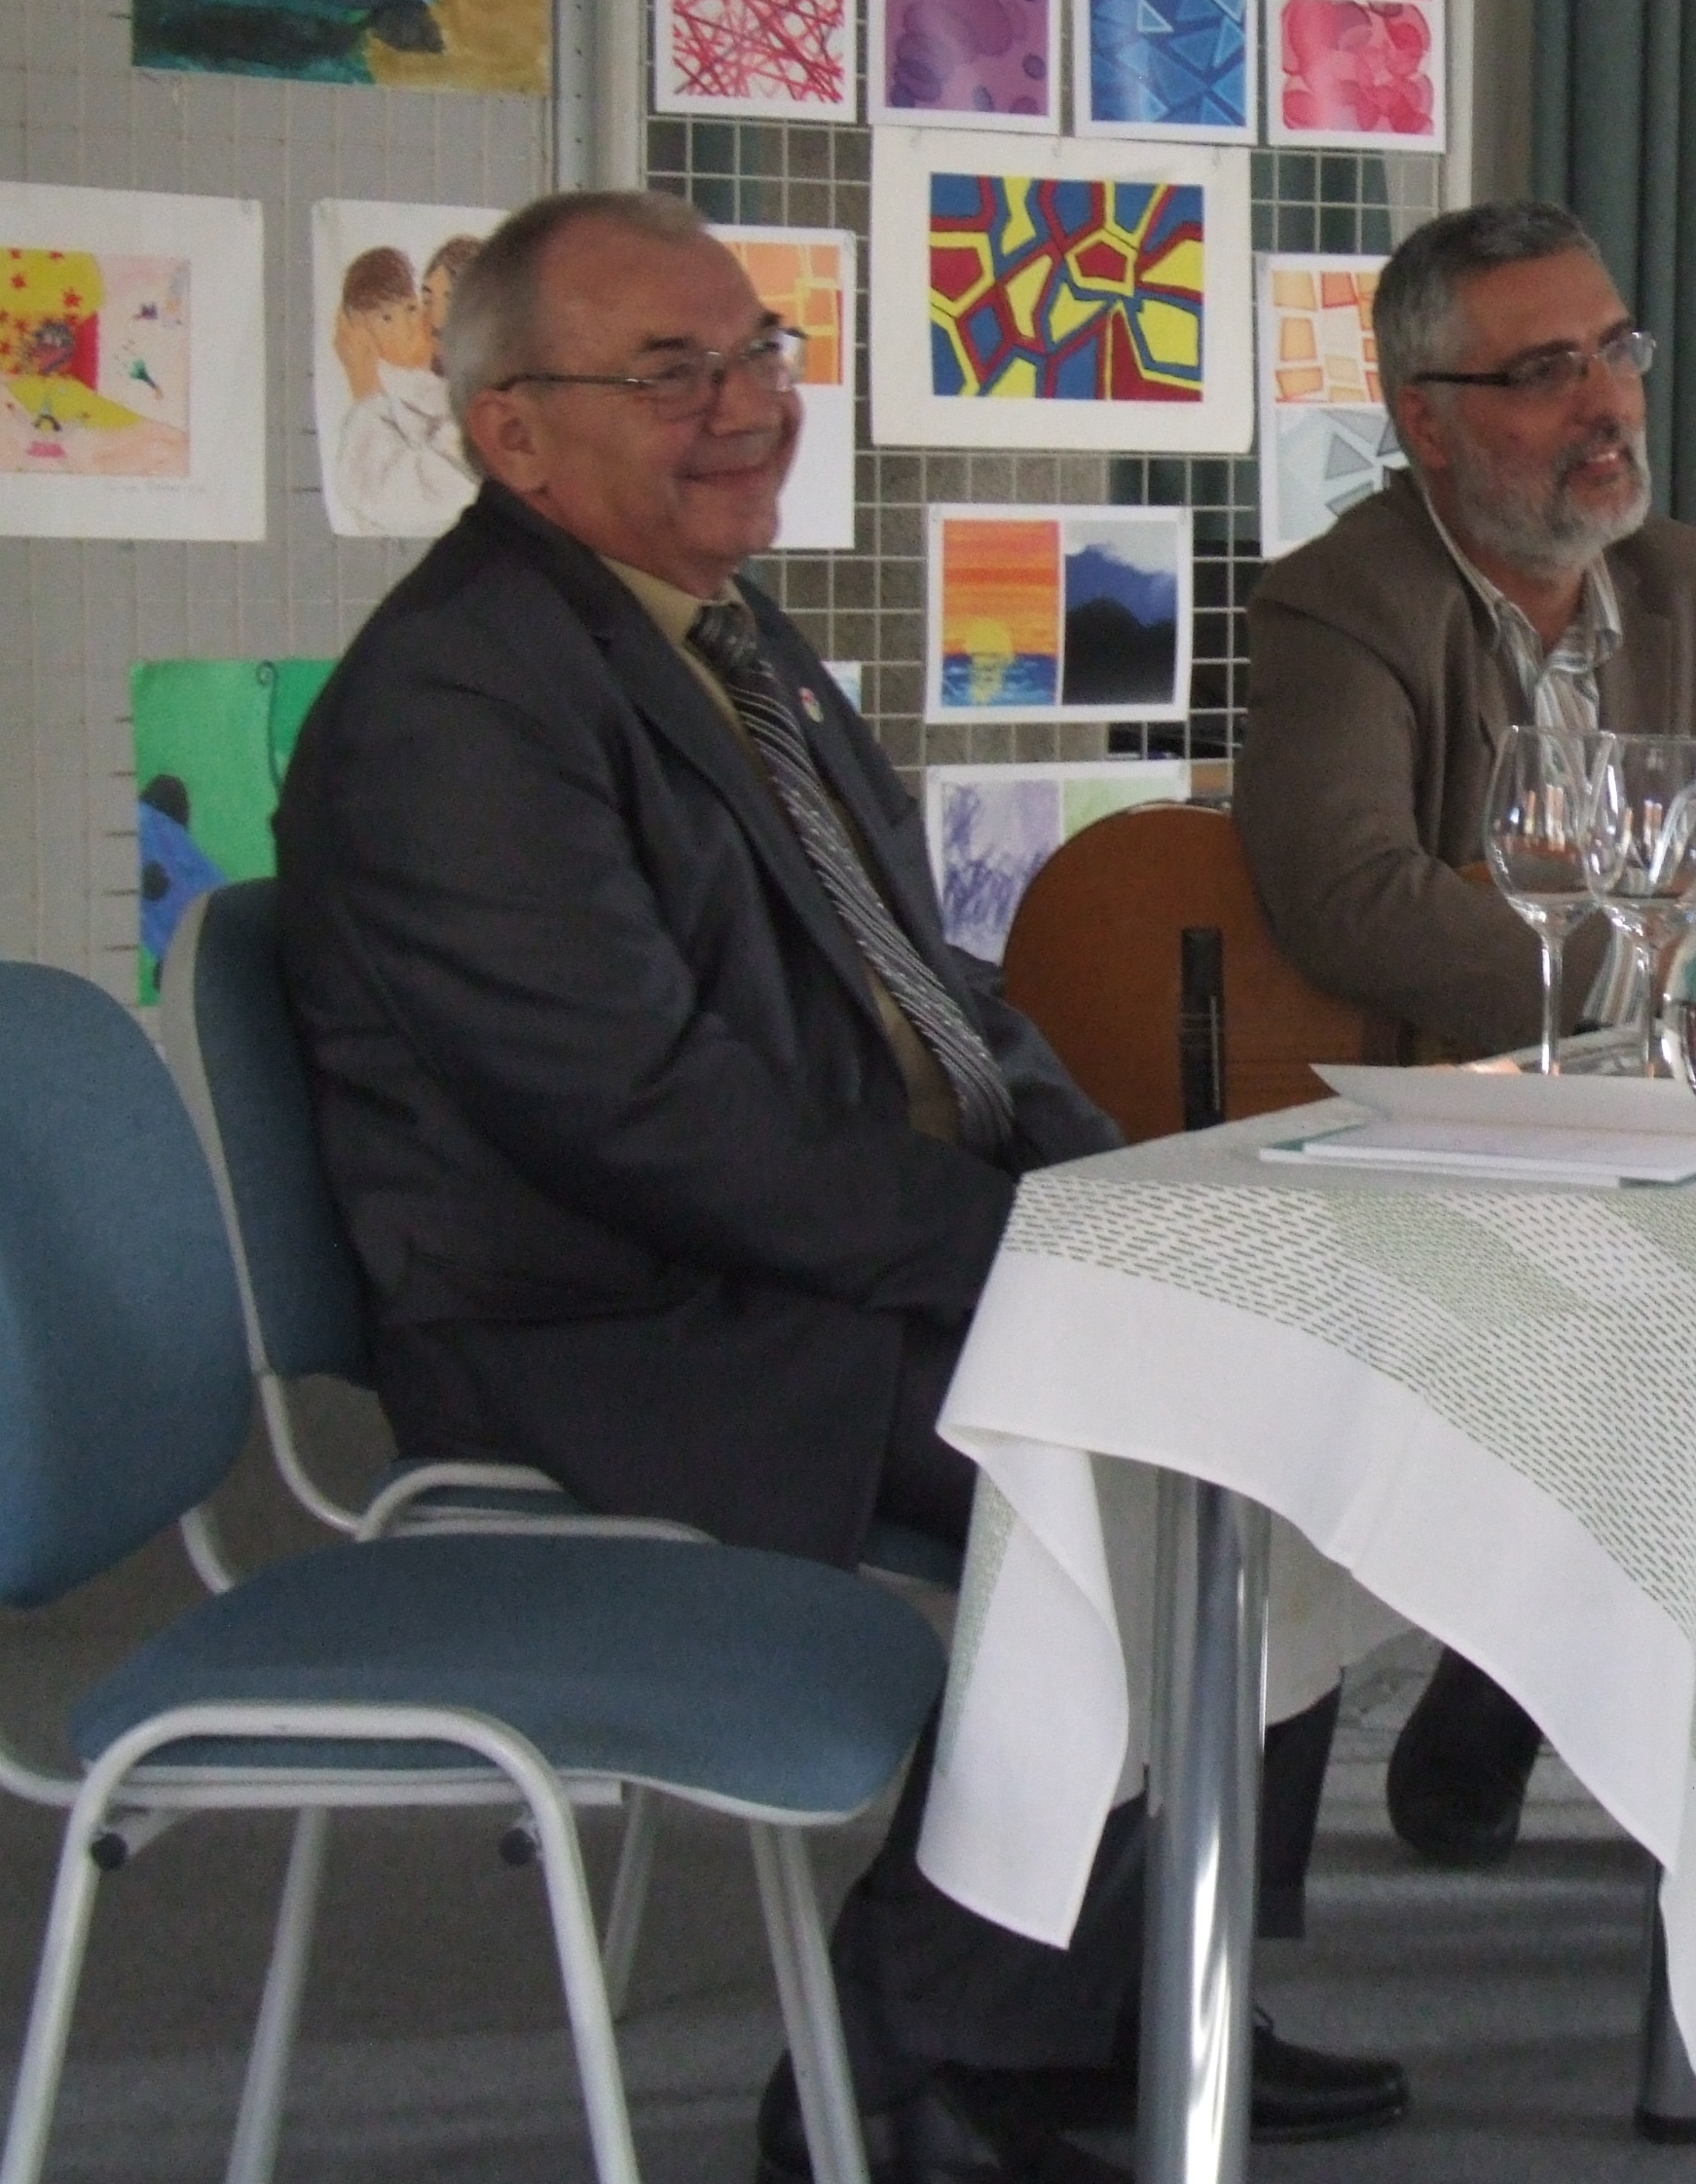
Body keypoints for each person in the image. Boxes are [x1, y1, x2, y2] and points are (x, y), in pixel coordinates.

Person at [276, 190, 1405, 2184]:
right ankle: (880, 2075)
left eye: (757, 353)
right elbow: (640, 1118)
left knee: (1282, 1400)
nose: (744, 407)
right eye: (669, 374)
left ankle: (1097, 2009)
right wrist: (1037, 1258)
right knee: (1181, 1479)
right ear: (511, 431)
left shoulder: (715, 629)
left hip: (791, 1259)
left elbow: (927, 985)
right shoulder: (458, 700)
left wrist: (1115, 1199)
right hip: (610, 1329)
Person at [1236, 199, 1696, 1864]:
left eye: (1615, 351)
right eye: (1544, 371)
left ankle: (1573, 1727)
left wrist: (1686, 992)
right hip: (1420, 1138)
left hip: (1659, 1137)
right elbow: (1350, 894)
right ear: (1425, 419)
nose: (1606, 403)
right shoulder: (1344, 601)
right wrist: (1635, 984)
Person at [325, 243, 476, 537]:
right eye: (427, 299)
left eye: (451, 299)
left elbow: (404, 499)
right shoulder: (420, 391)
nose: (429, 318)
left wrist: (365, 387)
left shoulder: (480, 405)